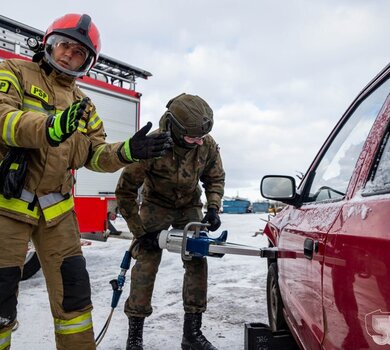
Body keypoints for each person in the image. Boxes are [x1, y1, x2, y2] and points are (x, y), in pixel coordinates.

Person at [0, 13, 171, 350]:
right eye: (64, 45)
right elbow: (3, 119)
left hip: (58, 213)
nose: (68, 55)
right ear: (49, 43)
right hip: (6, 207)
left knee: (75, 302)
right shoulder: (13, 72)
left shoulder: (84, 105)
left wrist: (127, 151)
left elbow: (93, 155)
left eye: (79, 53)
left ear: (87, 62)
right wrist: (49, 127)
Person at [115, 93, 225, 350]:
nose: (198, 142)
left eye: (201, 137)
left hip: (189, 206)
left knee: (197, 258)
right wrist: (140, 232)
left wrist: (213, 207)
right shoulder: (151, 147)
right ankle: (135, 337)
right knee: (146, 261)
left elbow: (214, 177)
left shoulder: (205, 144)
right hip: (156, 206)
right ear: (175, 127)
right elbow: (126, 191)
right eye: (191, 138)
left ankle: (192, 334)